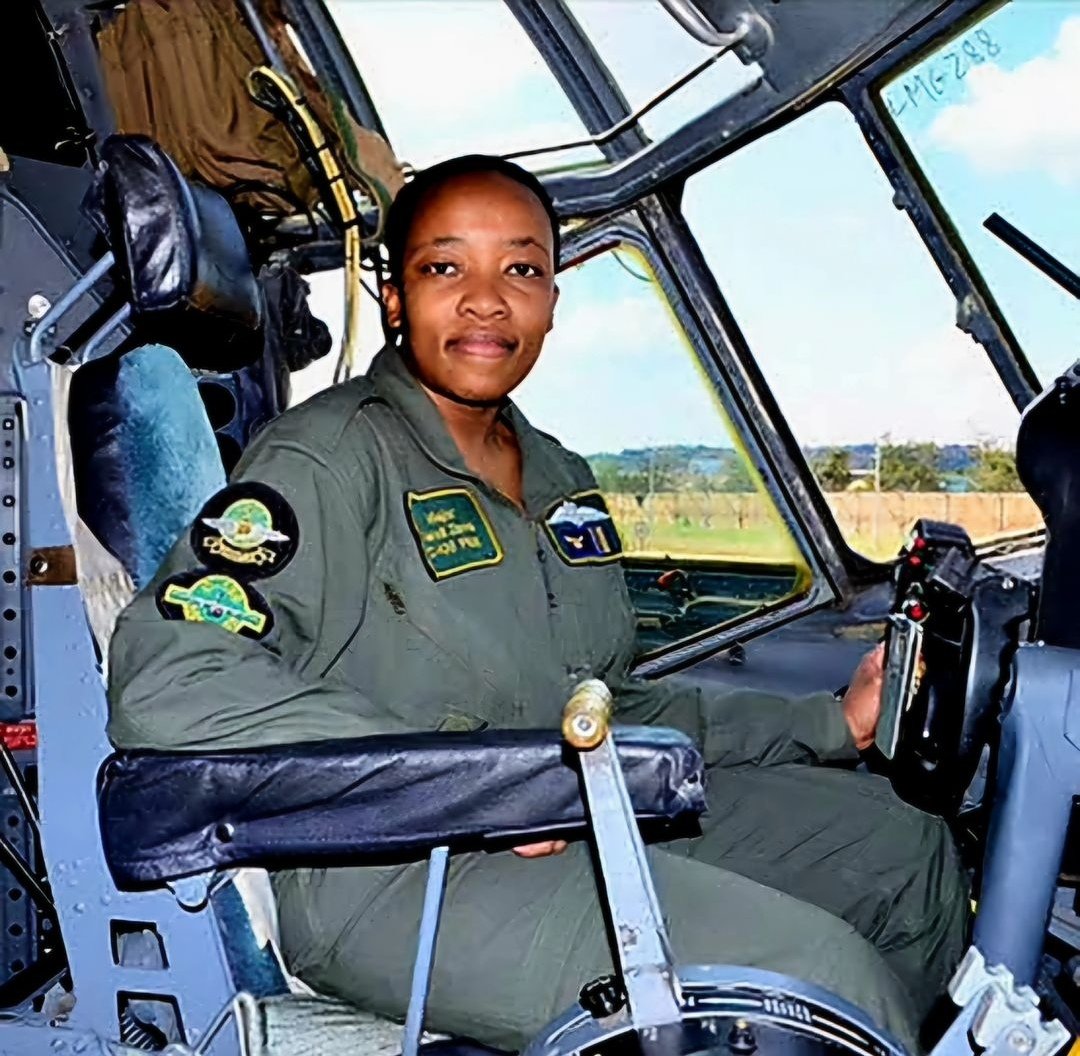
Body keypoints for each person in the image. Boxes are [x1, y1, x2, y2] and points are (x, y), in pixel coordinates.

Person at [106, 154, 968, 1054]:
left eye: (520, 269)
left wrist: (834, 723)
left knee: (907, 856)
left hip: (577, 811)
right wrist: (484, 783)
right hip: (395, 875)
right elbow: (172, 675)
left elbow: (614, 706)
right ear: (395, 296)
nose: (486, 300)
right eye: (446, 267)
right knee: (814, 981)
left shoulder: (560, 477)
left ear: (553, 300)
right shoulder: (325, 457)